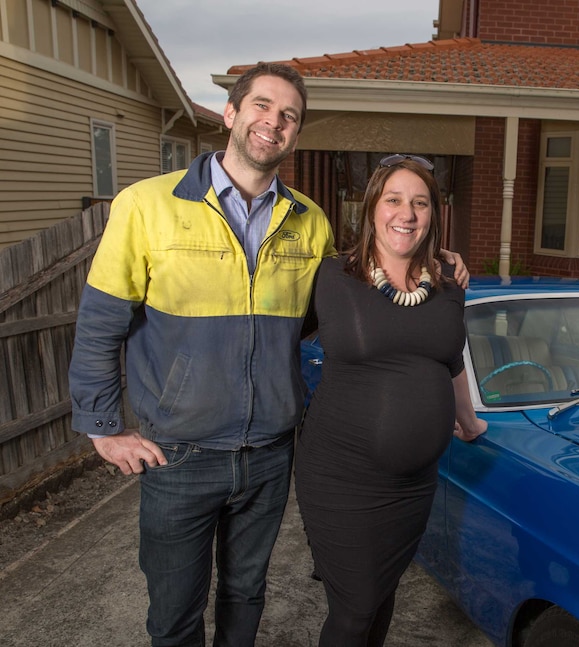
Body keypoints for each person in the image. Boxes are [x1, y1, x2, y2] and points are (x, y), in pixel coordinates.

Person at [67, 62, 468, 645]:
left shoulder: (309, 224)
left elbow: (369, 280)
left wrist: (440, 266)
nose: (272, 122)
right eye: (261, 106)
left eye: (289, 116)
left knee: (245, 595)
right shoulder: (146, 206)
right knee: (175, 611)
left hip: (269, 453)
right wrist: (103, 429)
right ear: (231, 114)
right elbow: (100, 323)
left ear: (296, 134)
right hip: (180, 451)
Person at [294, 154, 488, 647]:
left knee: (382, 596)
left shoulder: (447, 284)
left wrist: (467, 420)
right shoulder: (331, 278)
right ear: (371, 209)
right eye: (394, 200)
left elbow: (448, 360)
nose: (407, 213)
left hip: (412, 485)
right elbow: (270, 340)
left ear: (434, 215)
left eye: (420, 203)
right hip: (341, 477)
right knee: (355, 607)